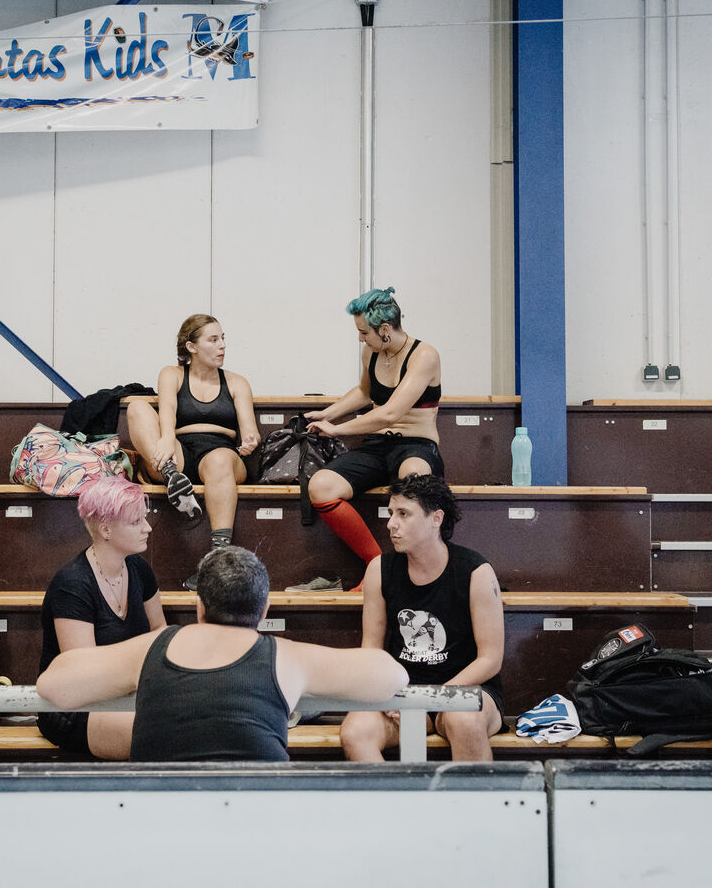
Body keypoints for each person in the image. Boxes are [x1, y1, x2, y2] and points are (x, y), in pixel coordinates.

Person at [37, 545, 409, 762]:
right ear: (264, 611)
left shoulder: (153, 645)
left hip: (161, 821)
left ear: (199, 607)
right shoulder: (288, 657)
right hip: (256, 821)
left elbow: (53, 686)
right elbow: (392, 676)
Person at [340, 474, 505, 761]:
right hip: (402, 691)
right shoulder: (380, 569)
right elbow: (371, 652)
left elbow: (490, 659)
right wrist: (386, 694)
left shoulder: (475, 571)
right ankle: (395, 794)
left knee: (464, 720)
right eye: (391, 513)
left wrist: (433, 697)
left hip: (464, 687)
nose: (391, 524)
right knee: (355, 732)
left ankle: (475, 794)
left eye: (404, 514)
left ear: (436, 519)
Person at [288, 287, 443, 591]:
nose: (360, 338)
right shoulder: (372, 352)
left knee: (413, 482)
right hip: (377, 445)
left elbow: (390, 412)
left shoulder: (424, 355)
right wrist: (327, 414)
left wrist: (337, 429)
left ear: (384, 329)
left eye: (363, 332)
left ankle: (414, 571)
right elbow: (364, 392)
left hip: (416, 445)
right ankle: (377, 566)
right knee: (320, 485)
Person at [126, 314, 260, 588]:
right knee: (137, 406)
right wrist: (166, 438)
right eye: (213, 339)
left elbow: (250, 429)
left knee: (219, 460)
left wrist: (250, 440)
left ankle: (217, 558)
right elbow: (168, 411)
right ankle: (173, 479)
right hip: (178, 453)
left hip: (221, 453)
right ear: (192, 347)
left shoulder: (237, 382)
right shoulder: (172, 374)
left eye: (223, 338)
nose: (222, 345)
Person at [37, 475, 166, 759]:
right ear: (106, 529)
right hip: (74, 709)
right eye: (136, 521)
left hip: (128, 696)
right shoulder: (72, 584)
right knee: (161, 733)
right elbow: (86, 676)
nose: (147, 528)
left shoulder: (139, 569)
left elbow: (159, 631)